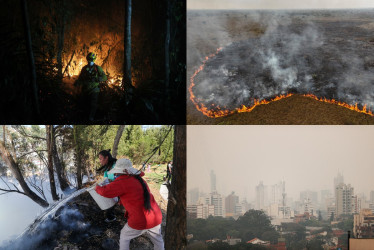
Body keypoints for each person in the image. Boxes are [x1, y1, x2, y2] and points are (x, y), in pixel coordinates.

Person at [95, 158, 164, 250]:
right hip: (156, 216)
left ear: (121, 171)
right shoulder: (138, 179)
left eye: (116, 172)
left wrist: (96, 187)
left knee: (124, 236)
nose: (115, 174)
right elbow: (133, 194)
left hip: (140, 219)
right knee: (158, 240)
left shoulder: (122, 181)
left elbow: (105, 192)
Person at [75, 52, 107, 121]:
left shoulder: (98, 68)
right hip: (85, 89)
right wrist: (77, 83)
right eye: (89, 60)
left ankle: (91, 118)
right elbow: (80, 78)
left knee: (93, 104)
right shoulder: (84, 69)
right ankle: (86, 118)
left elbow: (104, 77)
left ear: (94, 60)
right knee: (86, 104)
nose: (90, 62)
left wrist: (98, 79)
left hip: (95, 89)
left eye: (91, 60)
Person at [96, 149, 117, 222]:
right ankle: (111, 216)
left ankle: (111, 217)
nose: (100, 161)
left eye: (101, 159)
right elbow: (105, 178)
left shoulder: (116, 165)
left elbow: (118, 179)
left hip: (121, 188)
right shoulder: (107, 167)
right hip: (113, 187)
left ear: (106, 158)